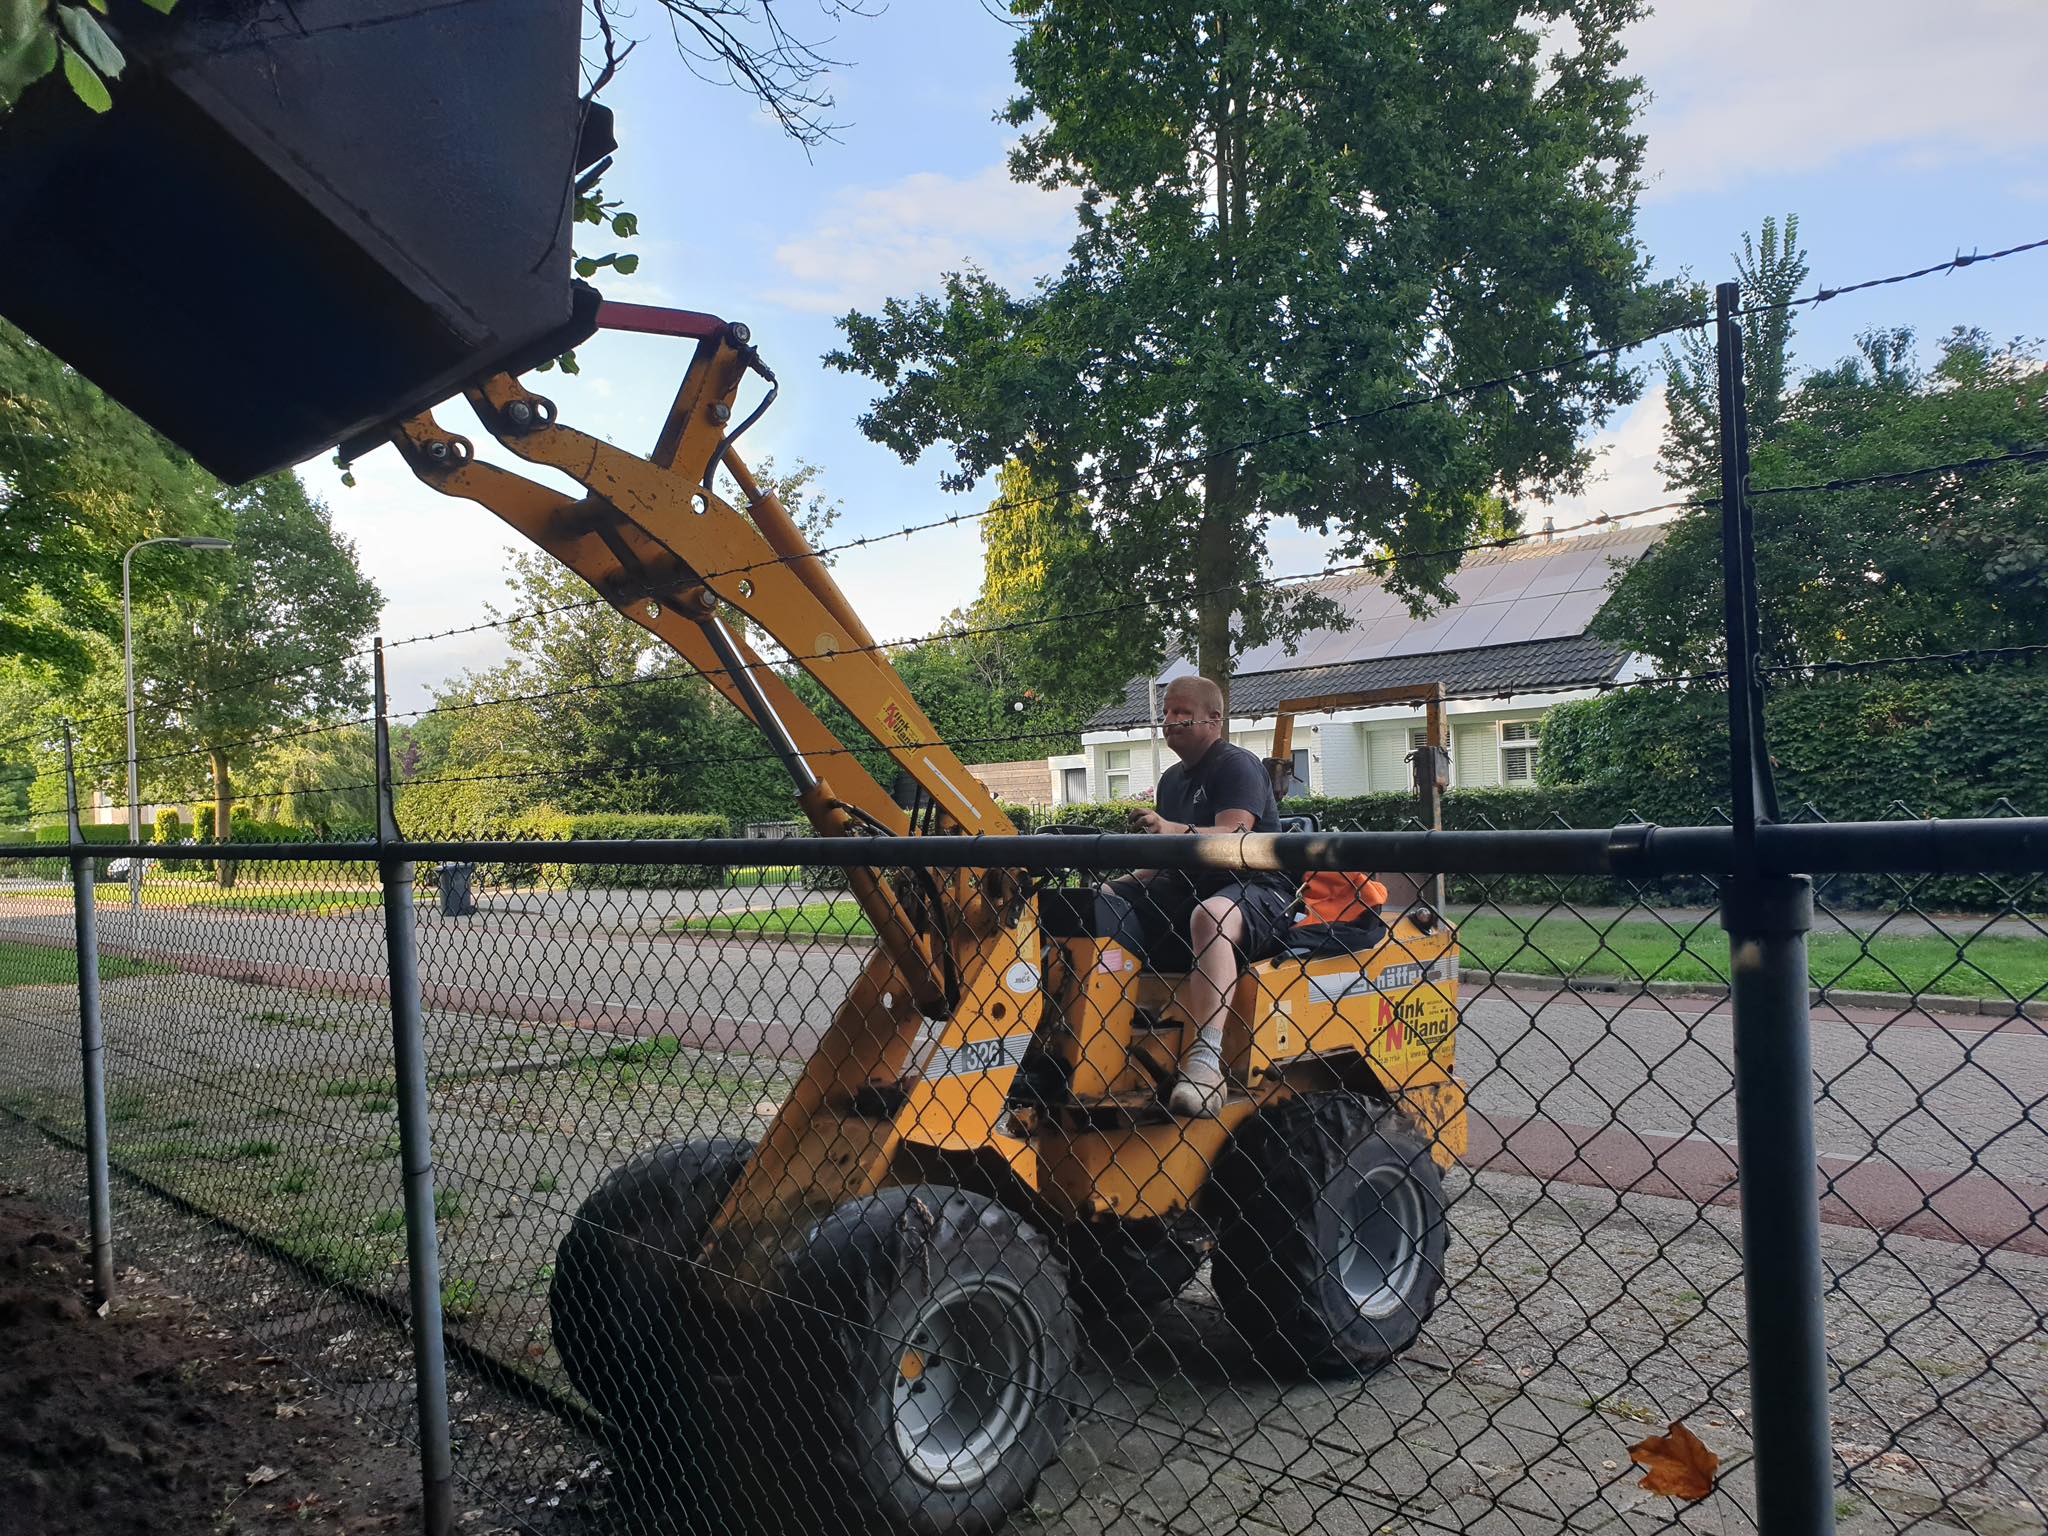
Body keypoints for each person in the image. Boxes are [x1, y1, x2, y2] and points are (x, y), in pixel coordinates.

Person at [1107, 675, 1294, 1116]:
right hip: (1185, 887)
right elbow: (1161, 864)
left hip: (1255, 887)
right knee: (1100, 904)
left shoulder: (1236, 765)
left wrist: (1169, 830)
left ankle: (1206, 1061)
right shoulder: (1172, 780)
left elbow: (1236, 837)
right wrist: (1114, 889)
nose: (1170, 720)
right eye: (1167, 712)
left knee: (1208, 917)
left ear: (1214, 718)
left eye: (1181, 712)